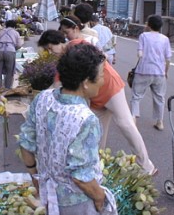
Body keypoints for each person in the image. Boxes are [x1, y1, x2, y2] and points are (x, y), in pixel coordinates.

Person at [38, 30, 158, 175]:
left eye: (51, 48)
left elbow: (102, 57)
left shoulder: (77, 45)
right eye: (48, 50)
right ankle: (96, 165)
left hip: (109, 86)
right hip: (93, 95)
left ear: (59, 41)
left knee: (125, 124)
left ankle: (147, 166)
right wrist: (42, 100)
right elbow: (56, 86)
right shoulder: (63, 63)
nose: (51, 52)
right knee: (94, 132)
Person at [19, 43, 117, 215]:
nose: (103, 81)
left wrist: (35, 175)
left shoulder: (43, 98)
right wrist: (100, 196)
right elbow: (81, 176)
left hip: (47, 193)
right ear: (86, 82)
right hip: (76, 203)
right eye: (101, 75)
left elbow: (26, 143)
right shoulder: (86, 119)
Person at [131, 15, 172, 131]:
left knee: (136, 96)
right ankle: (160, 122)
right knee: (159, 97)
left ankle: (133, 118)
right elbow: (168, 59)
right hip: (159, 72)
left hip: (143, 71)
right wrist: (165, 72)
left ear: (148, 25)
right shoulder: (165, 39)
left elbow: (139, 54)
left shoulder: (143, 36)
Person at [0, 20, 23, 89]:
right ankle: (7, 89)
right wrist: (14, 48)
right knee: (9, 71)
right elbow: (19, 44)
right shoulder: (15, 33)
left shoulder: (1, 32)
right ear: (14, 26)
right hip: (10, 51)